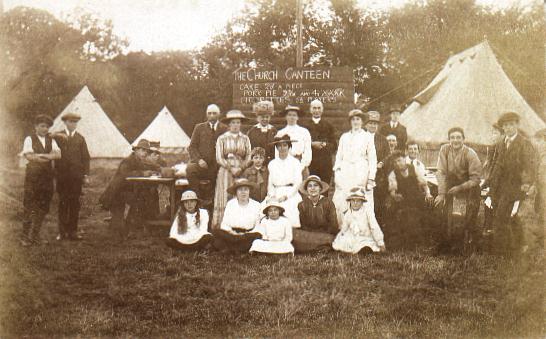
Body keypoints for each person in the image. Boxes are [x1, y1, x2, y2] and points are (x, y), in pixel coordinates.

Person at [487, 112, 537, 256]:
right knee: (509, 215)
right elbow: (497, 165)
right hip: (500, 186)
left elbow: (529, 166)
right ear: (502, 127)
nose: (508, 128)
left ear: (517, 125)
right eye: (505, 125)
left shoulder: (524, 143)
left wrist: (526, 183)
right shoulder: (502, 143)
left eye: (511, 124)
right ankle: (521, 243)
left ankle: (501, 252)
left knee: (501, 217)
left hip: (515, 186)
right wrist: (490, 184)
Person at [434, 127, 482, 253]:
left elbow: (476, 179)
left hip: (469, 189)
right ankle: (445, 243)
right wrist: (441, 193)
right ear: (449, 139)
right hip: (452, 187)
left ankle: (462, 245)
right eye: (452, 137)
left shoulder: (470, 154)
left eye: (458, 137)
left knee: (462, 217)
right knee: (444, 211)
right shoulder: (444, 150)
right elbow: (441, 172)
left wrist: (460, 188)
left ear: (463, 139)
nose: (455, 140)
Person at [99, 139, 154, 240]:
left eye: (146, 151)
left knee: (141, 198)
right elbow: (125, 174)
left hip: (125, 191)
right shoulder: (128, 160)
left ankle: (127, 226)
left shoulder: (139, 161)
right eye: (142, 150)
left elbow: (149, 166)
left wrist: (158, 168)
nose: (145, 153)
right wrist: (142, 173)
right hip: (116, 192)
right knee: (138, 200)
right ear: (136, 150)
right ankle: (124, 228)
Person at [20, 114, 61, 246]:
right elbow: (29, 156)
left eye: (47, 127)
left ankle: (35, 235)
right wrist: (49, 157)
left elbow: (58, 155)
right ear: (36, 126)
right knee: (30, 205)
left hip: (47, 177)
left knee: (43, 206)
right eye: (42, 126)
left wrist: (41, 155)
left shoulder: (51, 140)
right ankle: (24, 237)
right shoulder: (29, 139)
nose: (44, 129)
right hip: (33, 177)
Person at [51, 111, 90, 241]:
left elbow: (86, 158)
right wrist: (56, 134)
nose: (72, 124)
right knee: (63, 203)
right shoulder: (58, 137)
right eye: (70, 122)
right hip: (62, 177)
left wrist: (85, 175)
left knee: (74, 204)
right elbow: (46, 136)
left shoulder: (80, 138)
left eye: (75, 122)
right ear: (65, 122)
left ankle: (73, 231)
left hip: (76, 178)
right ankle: (62, 232)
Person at [332, 109, 377, 224]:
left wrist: (371, 178)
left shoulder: (367, 137)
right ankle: (343, 228)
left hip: (361, 172)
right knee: (343, 199)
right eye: (353, 119)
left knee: (359, 199)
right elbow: (339, 156)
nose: (355, 122)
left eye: (358, 119)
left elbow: (372, 159)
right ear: (350, 122)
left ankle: (361, 230)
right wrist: (337, 171)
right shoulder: (344, 137)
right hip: (345, 172)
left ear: (362, 122)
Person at [211, 110, 252, 228]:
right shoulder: (222, 138)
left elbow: (249, 155)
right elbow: (219, 157)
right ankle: (221, 226)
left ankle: (240, 225)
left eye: (238, 122)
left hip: (241, 171)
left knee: (240, 195)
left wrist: (242, 167)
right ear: (229, 125)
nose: (235, 125)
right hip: (226, 171)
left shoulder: (245, 138)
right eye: (233, 122)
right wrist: (231, 168)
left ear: (241, 124)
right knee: (225, 195)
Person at [386, 151, 433, 249]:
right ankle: (406, 242)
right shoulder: (393, 174)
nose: (397, 164)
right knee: (404, 214)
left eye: (399, 160)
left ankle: (427, 240)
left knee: (428, 208)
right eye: (395, 162)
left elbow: (424, 184)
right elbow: (393, 190)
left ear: (404, 159)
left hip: (416, 198)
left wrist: (428, 193)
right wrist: (395, 195)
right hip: (403, 199)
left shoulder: (413, 168)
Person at [186, 104, 228, 201]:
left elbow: (228, 148)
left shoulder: (225, 129)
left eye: (214, 113)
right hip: (202, 166)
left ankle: (214, 202)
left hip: (217, 166)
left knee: (222, 177)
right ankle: (196, 197)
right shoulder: (199, 128)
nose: (212, 116)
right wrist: (199, 160)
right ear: (206, 115)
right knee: (190, 169)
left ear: (219, 114)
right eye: (209, 113)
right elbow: (192, 147)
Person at [212, 179, 262, 253]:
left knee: (257, 236)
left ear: (249, 191)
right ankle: (238, 248)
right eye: (240, 190)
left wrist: (246, 234)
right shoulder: (230, 204)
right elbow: (225, 223)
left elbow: (258, 225)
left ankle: (232, 248)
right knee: (216, 232)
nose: (243, 192)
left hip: (247, 235)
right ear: (236, 192)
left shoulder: (256, 205)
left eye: (246, 189)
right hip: (232, 234)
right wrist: (232, 232)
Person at [332, 187, 386, 254]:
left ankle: (364, 250)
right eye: (353, 201)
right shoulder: (348, 214)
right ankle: (348, 250)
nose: (355, 203)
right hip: (353, 237)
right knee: (343, 241)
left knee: (366, 245)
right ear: (350, 201)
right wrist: (340, 237)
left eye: (358, 201)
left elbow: (374, 227)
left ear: (362, 202)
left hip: (364, 237)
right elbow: (344, 229)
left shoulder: (367, 212)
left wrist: (380, 242)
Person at [266, 135, 303, 227]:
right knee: (266, 207)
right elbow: (270, 183)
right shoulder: (272, 163)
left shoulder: (295, 163)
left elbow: (298, 182)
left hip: (291, 193)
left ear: (289, 146)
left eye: (285, 145)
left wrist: (287, 196)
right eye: (279, 146)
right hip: (276, 192)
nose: (282, 148)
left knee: (290, 208)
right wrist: (272, 195)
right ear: (277, 147)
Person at [294, 175, 338, 253]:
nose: (313, 188)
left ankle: (317, 247)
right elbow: (303, 225)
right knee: (295, 234)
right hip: (308, 235)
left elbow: (333, 225)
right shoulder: (302, 205)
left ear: (320, 188)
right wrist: (312, 235)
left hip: (325, 234)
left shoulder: (328, 203)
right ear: (306, 189)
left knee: (333, 238)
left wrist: (323, 234)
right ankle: (321, 247)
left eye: (315, 185)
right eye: (310, 186)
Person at [365, 110, 390, 223]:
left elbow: (388, 156)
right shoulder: (360, 137)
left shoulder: (382, 139)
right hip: (363, 174)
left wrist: (382, 163)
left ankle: (378, 224)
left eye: (375, 123)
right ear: (366, 124)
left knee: (378, 200)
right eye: (370, 123)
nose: (373, 125)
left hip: (378, 175)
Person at [304, 99, 336, 185]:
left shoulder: (328, 125)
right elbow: (301, 144)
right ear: (310, 110)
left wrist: (325, 144)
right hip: (311, 163)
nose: (316, 110)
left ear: (322, 110)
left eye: (319, 108)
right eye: (314, 108)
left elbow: (334, 145)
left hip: (325, 164)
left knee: (324, 188)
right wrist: (312, 144)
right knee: (311, 187)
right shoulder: (305, 126)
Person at [275, 105, 312, 177]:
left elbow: (308, 151)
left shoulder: (304, 131)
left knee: (302, 186)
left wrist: (302, 165)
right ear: (286, 117)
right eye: (289, 115)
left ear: (297, 117)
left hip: (301, 163)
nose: (292, 117)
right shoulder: (280, 133)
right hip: (285, 165)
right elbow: (277, 152)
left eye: (294, 115)